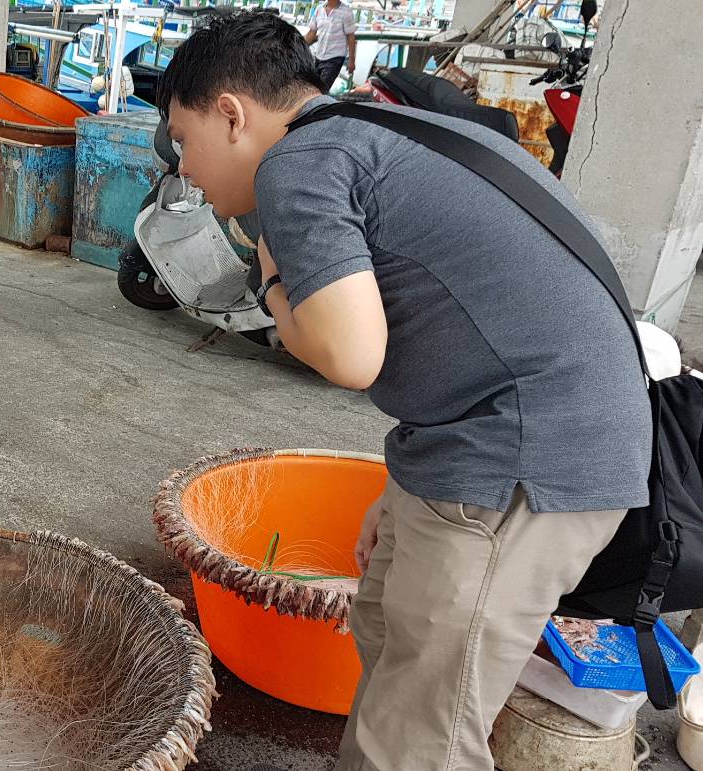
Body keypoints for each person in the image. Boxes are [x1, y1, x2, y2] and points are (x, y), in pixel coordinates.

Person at [159, 12, 649, 771]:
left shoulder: (298, 164)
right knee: (389, 639)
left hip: (525, 456)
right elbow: (467, 323)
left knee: (421, 736)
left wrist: (274, 270)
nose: (183, 168)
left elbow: (351, 353)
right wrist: (405, 488)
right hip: (513, 432)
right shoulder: (379, 126)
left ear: (231, 114)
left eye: (183, 140)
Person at [303, 0, 358, 93]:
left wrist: (352, 61)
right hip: (319, 56)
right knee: (312, 88)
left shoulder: (346, 11)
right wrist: (297, 46)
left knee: (320, 91)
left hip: (335, 58)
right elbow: (311, 34)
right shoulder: (319, 9)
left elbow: (351, 37)